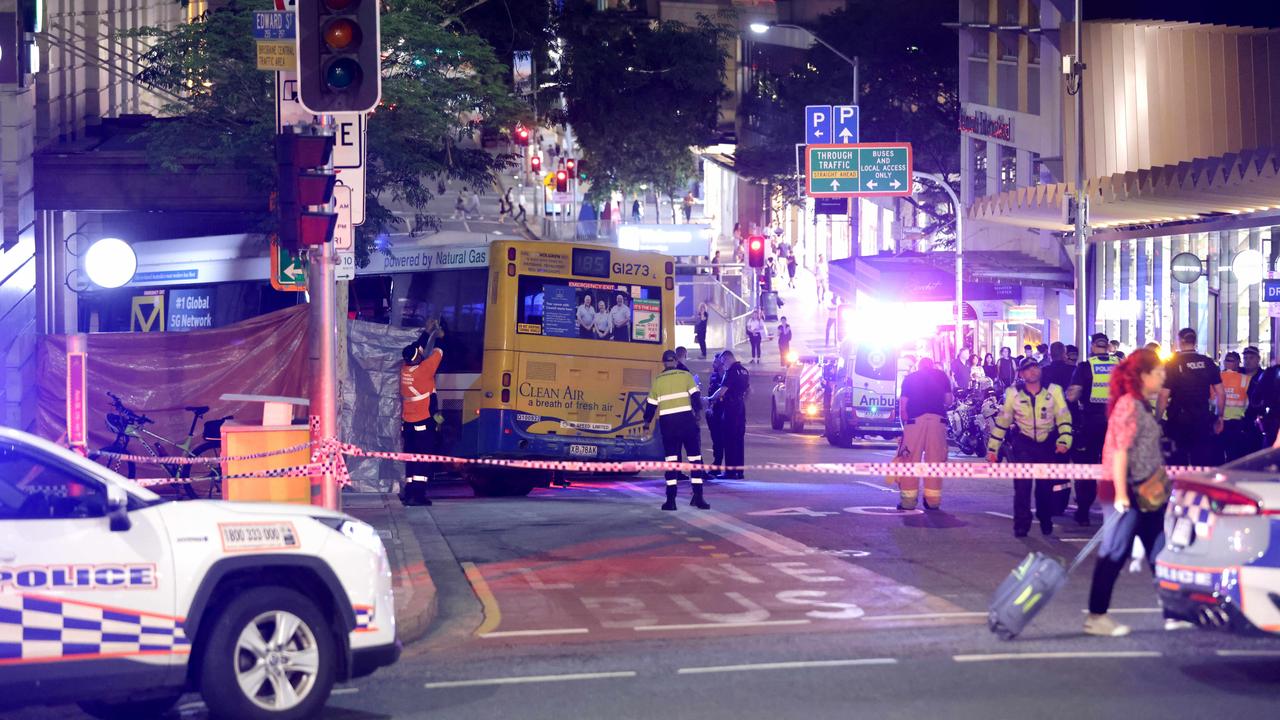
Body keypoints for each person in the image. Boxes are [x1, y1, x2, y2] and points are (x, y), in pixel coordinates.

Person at [1084, 349, 1168, 637]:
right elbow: (1120, 451)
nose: (1163, 377)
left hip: (1147, 489)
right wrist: (1121, 493)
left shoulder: (1141, 404)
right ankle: (1097, 615)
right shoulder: (1129, 404)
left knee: (1160, 549)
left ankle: (1174, 610)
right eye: (1158, 372)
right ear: (1143, 376)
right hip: (1127, 489)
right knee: (1115, 551)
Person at [987, 358, 1074, 537]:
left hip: (1047, 444)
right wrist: (993, 449)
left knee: (1045, 488)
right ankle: (1021, 524)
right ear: (1021, 374)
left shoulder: (1054, 391)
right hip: (1023, 444)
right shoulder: (1013, 393)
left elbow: (1064, 418)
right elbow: (1003, 421)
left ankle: (1045, 518)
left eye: (1035, 367)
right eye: (1027, 369)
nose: (1032, 371)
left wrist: (1064, 440)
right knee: (1022, 487)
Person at [643, 350, 709, 510]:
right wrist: (698, 414)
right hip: (687, 424)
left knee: (672, 462)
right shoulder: (686, 376)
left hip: (669, 427)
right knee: (694, 460)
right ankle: (698, 497)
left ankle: (671, 501)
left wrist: (646, 424)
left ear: (664, 363)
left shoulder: (658, 381)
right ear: (676, 361)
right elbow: (695, 397)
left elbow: (651, 405)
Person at [1065, 333, 1116, 525]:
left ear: (1094, 346)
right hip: (1113, 425)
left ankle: (1084, 512)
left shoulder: (1086, 367)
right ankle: (1112, 513)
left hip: (1090, 423)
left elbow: (1073, 395)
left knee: (1087, 468)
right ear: (1108, 346)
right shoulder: (1118, 365)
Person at [1158, 328, 1224, 466]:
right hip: (1202, 419)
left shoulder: (1172, 364)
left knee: (1178, 464)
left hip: (1178, 420)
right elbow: (1221, 393)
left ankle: (1180, 487)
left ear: (1181, 341)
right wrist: (1220, 417)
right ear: (1195, 341)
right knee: (1201, 462)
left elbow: (1163, 396)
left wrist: (1157, 419)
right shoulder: (1207, 362)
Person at [897, 357, 953, 510]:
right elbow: (948, 400)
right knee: (935, 461)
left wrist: (905, 423)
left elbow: (903, 403)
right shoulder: (942, 376)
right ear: (932, 365)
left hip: (915, 420)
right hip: (937, 421)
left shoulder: (910, 378)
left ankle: (908, 502)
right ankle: (932, 501)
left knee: (910, 460)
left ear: (919, 366)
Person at [399, 323, 445, 507]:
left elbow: (417, 348)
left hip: (408, 424)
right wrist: (441, 335)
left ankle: (409, 492)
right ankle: (418, 495)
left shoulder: (405, 368)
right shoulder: (424, 370)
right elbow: (440, 352)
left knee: (411, 459)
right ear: (418, 358)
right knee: (422, 459)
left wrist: (427, 331)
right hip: (423, 423)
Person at [709, 350, 749, 479]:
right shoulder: (744, 371)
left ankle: (730, 472)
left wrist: (709, 398)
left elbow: (721, 391)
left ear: (726, 359)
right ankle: (739, 471)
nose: (723, 365)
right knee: (739, 440)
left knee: (729, 441)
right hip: (740, 408)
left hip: (730, 409)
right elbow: (749, 390)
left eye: (723, 362)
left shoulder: (730, 371)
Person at [1220, 351, 1253, 461]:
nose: (1228, 362)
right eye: (1227, 360)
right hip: (1232, 421)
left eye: (1230, 360)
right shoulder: (1245, 379)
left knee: (1223, 453)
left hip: (1228, 421)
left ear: (1238, 363)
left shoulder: (1217, 378)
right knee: (1233, 454)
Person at [705, 352, 727, 475]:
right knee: (716, 439)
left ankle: (720, 464)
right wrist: (709, 407)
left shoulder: (726, 376)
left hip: (723, 412)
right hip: (714, 411)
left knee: (722, 440)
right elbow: (710, 393)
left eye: (716, 361)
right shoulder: (713, 376)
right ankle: (717, 463)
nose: (713, 363)